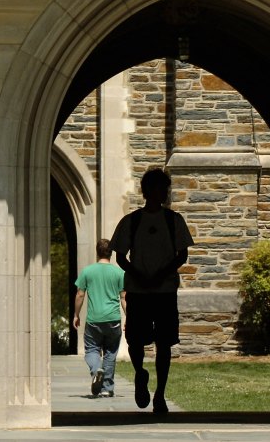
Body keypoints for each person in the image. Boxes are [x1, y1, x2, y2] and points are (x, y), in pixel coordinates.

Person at [109, 168, 194, 414]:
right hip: (138, 291)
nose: (164, 193)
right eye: (161, 188)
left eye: (165, 189)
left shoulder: (174, 220)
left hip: (165, 291)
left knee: (164, 344)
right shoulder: (132, 221)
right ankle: (140, 373)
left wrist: (160, 274)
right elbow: (120, 256)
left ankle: (160, 395)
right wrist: (140, 276)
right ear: (149, 191)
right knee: (135, 341)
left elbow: (182, 254)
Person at [73, 238, 126, 397]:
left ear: (97, 252)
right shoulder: (119, 273)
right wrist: (128, 318)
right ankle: (107, 389)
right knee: (110, 352)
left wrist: (76, 315)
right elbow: (124, 297)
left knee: (91, 349)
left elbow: (80, 295)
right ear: (111, 253)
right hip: (113, 319)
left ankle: (96, 371)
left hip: (94, 320)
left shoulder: (88, 271)